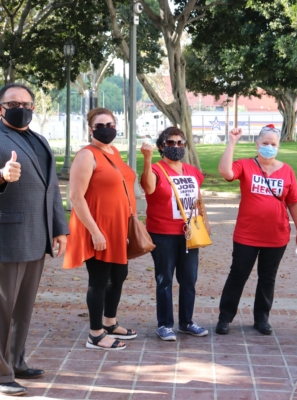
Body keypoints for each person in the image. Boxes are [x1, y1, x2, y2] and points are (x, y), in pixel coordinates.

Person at [0, 83, 69, 396]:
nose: (21, 107)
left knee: (22, 308)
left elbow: (51, 188)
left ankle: (16, 361)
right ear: (1, 107)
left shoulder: (39, 140)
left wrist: (60, 227)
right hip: (7, 235)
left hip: (37, 236)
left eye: (27, 103)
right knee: (3, 308)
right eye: (13, 102)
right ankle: (2, 376)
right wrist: (2, 176)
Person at [215, 125, 297, 336]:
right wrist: (232, 142)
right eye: (264, 143)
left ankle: (261, 318)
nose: (268, 147)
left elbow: (293, 203)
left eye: (273, 144)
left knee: (268, 277)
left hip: (276, 235)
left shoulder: (287, 171)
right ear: (257, 145)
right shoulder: (245, 165)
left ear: (278, 146)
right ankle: (225, 318)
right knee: (238, 275)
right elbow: (225, 172)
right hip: (247, 234)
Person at [63, 108, 137, 351]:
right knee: (99, 279)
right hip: (97, 228)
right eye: (100, 125)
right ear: (90, 129)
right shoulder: (86, 155)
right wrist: (95, 231)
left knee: (119, 276)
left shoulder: (113, 151)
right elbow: (75, 197)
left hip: (118, 228)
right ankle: (95, 334)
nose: (107, 128)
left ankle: (109, 322)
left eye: (111, 123)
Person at [141, 127, 209, 341]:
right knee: (165, 279)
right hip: (162, 233)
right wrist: (147, 157)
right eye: (171, 143)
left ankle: (187, 322)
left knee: (189, 279)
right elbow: (149, 188)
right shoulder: (156, 169)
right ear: (162, 146)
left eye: (180, 143)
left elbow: (198, 199)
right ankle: (165, 324)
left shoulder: (192, 171)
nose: (176, 147)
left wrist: (205, 222)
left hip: (189, 233)